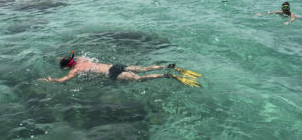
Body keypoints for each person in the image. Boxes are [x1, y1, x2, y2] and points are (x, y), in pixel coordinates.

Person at [38, 51, 201, 87]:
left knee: (140, 79)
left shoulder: (76, 71)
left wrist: (51, 80)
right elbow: (69, 58)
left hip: (111, 73)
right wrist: (61, 58)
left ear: (68, 67)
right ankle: (169, 66)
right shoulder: (81, 59)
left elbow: (64, 80)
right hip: (114, 66)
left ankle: (168, 75)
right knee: (144, 69)